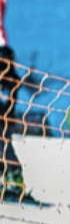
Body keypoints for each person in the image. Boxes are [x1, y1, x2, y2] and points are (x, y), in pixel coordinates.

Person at [0, 44, 30, 201]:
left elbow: (6, 99)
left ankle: (17, 183)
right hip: (4, 118)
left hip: (4, 120)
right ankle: (4, 181)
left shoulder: (11, 78)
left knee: (5, 149)